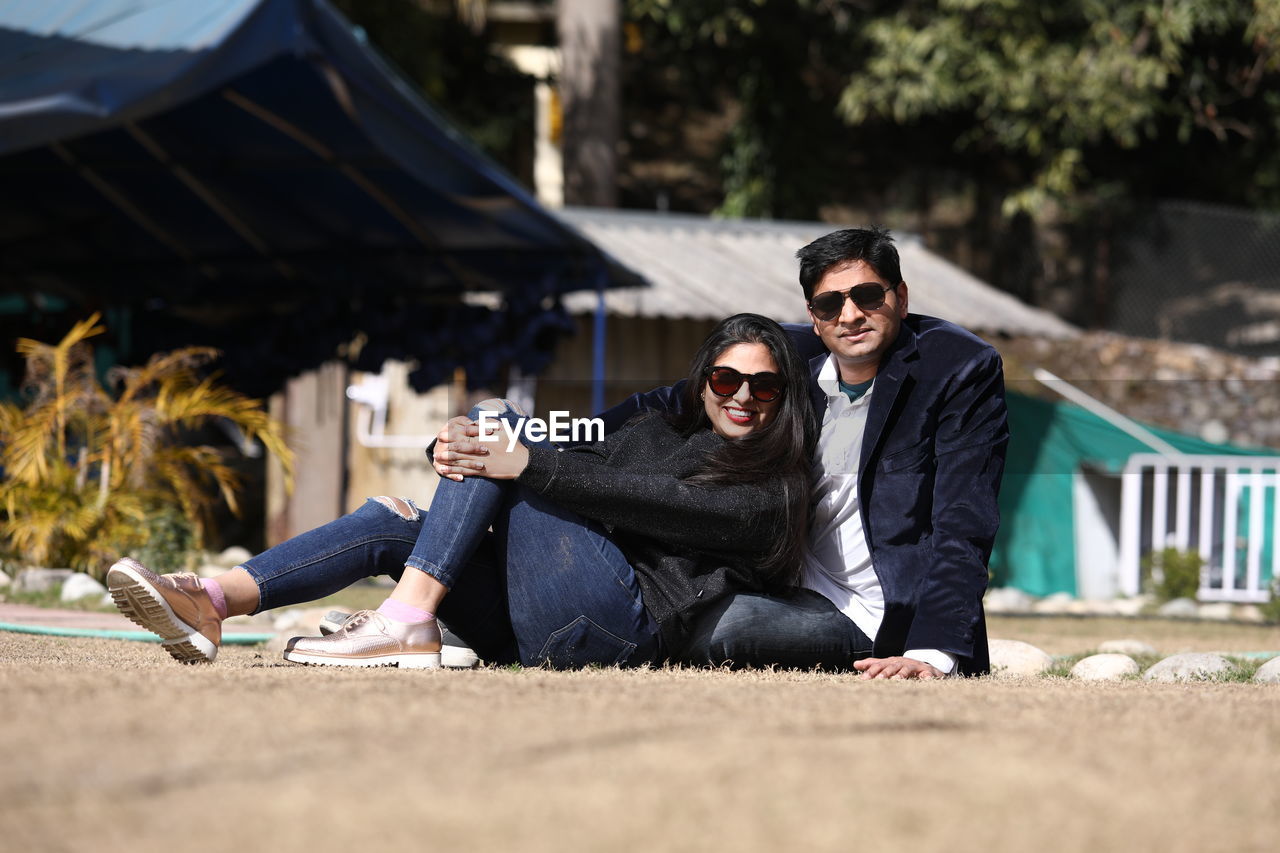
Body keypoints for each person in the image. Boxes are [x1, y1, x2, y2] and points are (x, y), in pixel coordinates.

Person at [438, 227, 1008, 678]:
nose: (850, 315)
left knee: (712, 632)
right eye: (830, 302)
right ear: (813, 313)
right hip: (784, 583)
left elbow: (963, 521)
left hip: (870, 611)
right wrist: (514, 440)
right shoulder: (784, 359)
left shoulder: (956, 369)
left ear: (900, 297)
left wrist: (934, 651)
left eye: (867, 296)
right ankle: (456, 618)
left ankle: (473, 622)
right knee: (503, 425)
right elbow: (656, 407)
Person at [106, 313, 817, 669]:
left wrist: (514, 456)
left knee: (502, 427)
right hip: (535, 616)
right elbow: (561, 442)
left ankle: (408, 618)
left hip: (615, 623)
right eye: (727, 380)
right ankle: (216, 600)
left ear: (785, 395)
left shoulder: (776, 487)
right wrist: (447, 448)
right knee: (393, 516)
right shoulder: (655, 424)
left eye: (764, 384)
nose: (744, 397)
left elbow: (651, 505)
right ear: (704, 382)